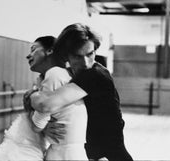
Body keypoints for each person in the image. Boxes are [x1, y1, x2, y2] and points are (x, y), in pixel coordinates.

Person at [30, 23, 133, 161]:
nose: (85, 63)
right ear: (66, 55)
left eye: (90, 54)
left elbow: (45, 105)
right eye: (78, 56)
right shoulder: (70, 74)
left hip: (109, 156)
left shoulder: (95, 75)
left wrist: (31, 94)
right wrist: (46, 127)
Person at [0, 36, 88, 161]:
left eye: (33, 49)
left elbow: (37, 125)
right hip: (63, 150)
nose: (28, 56)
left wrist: (30, 101)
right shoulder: (50, 77)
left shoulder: (55, 74)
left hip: (65, 153)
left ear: (49, 51)